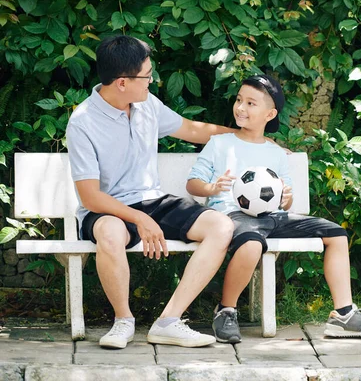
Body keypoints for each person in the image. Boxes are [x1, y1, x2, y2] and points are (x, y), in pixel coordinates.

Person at [186, 74, 361, 344]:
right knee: (251, 245)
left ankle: (343, 315)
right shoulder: (220, 143)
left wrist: (286, 198)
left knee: (337, 235)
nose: (241, 108)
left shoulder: (276, 153)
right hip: (234, 216)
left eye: (250, 103)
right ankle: (226, 310)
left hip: (274, 217)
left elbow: (286, 199)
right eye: (239, 100)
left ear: (270, 113)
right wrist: (211, 188)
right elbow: (192, 183)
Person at [66, 35, 235, 349]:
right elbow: (91, 197)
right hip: (107, 210)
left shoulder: (147, 105)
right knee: (113, 233)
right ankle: (123, 321)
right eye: (146, 75)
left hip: (152, 200)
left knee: (221, 226)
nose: (152, 80)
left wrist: (249, 137)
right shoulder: (83, 123)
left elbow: (194, 130)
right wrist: (139, 219)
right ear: (121, 83)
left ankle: (169, 322)